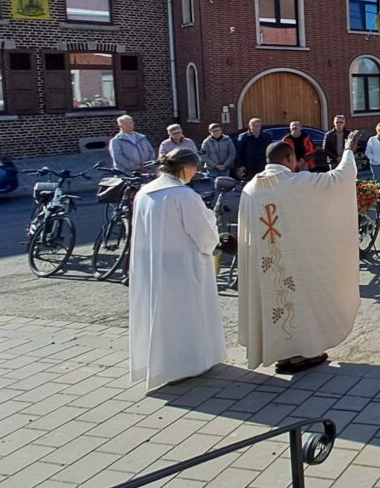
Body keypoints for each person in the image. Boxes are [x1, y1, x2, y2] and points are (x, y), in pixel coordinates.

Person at [238, 133, 361, 374]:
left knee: (276, 296)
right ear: (289, 158)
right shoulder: (293, 183)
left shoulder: (250, 188)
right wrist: (348, 150)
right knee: (297, 298)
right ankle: (297, 354)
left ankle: (280, 353)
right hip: (294, 258)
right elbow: (337, 180)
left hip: (264, 263)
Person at [127, 148, 224, 392]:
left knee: (161, 314)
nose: (196, 173)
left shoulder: (144, 192)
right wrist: (212, 221)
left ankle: (162, 363)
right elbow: (203, 233)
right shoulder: (183, 195)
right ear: (185, 168)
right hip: (183, 265)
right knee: (186, 314)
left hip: (152, 264)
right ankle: (188, 364)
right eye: (195, 168)